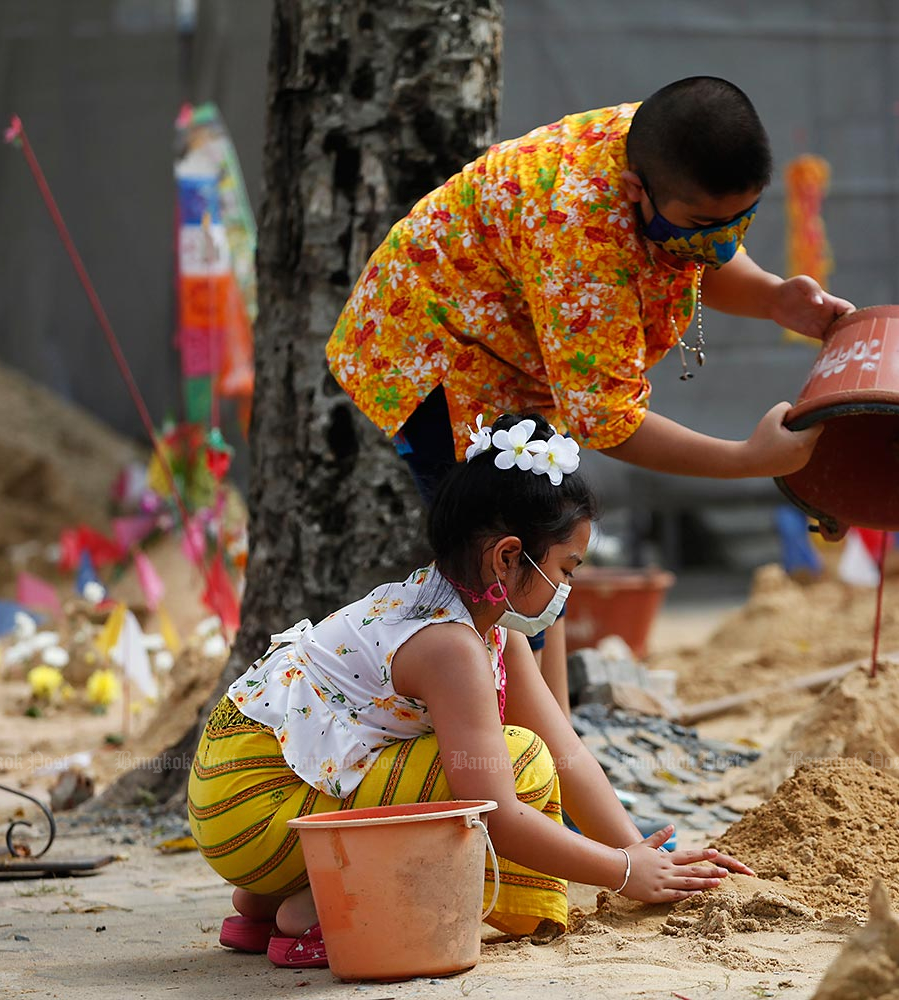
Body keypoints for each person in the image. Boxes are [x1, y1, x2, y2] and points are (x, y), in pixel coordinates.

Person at [327, 76, 854, 712]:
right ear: (637, 189)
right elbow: (608, 422)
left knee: (541, 561)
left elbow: (691, 249)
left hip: (510, 353)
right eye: (704, 225)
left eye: (739, 221)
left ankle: (551, 743)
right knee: (501, 569)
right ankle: (508, 756)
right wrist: (747, 460)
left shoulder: (667, 150)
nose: (722, 241)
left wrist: (772, 297)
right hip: (430, 352)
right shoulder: (580, 235)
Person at [188, 414, 754, 968]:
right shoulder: (450, 646)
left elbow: (570, 753)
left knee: (531, 755)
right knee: (519, 765)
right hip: (255, 803)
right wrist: (624, 873)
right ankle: (318, 913)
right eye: (566, 567)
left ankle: (267, 899)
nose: (569, 588)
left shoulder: (477, 625)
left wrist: (644, 853)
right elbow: (503, 815)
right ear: (508, 557)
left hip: (234, 795)